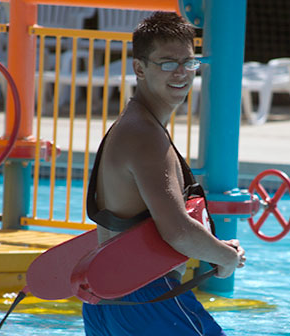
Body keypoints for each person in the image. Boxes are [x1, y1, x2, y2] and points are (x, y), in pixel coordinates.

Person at [82, 11, 246, 336]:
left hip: (107, 296)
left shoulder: (136, 127)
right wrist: (225, 259)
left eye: (189, 62)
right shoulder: (144, 136)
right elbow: (178, 232)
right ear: (139, 68)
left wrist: (212, 247)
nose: (182, 73)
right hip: (146, 298)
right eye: (168, 63)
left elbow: (148, 226)